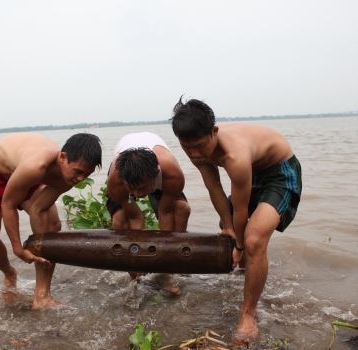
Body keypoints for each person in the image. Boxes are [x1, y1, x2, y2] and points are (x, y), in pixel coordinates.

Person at [171, 98, 302, 340]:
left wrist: (239, 245)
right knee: (226, 226)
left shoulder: (235, 155)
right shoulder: (194, 148)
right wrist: (229, 228)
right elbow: (215, 189)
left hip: (279, 173)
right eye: (186, 147)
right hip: (251, 172)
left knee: (252, 239)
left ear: (215, 132)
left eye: (200, 145)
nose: (195, 154)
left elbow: (240, 210)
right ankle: (247, 271)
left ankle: (248, 313)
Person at [0, 132, 102, 309]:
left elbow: (39, 209)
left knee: (52, 224)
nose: (80, 179)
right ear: (62, 157)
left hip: (30, 181)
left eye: (87, 174)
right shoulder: (36, 165)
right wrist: (18, 249)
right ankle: (9, 273)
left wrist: (41, 246)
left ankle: (42, 295)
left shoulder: (70, 176)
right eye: (78, 171)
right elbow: (8, 204)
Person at [106, 132, 191, 288]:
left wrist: (166, 257)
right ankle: (135, 279)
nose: (138, 194)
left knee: (182, 208)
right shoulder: (116, 181)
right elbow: (135, 216)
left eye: (142, 188)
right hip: (125, 172)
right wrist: (137, 258)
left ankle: (172, 271)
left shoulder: (172, 174)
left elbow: (165, 212)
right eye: (132, 189)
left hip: (159, 174)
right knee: (120, 221)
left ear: (156, 175)